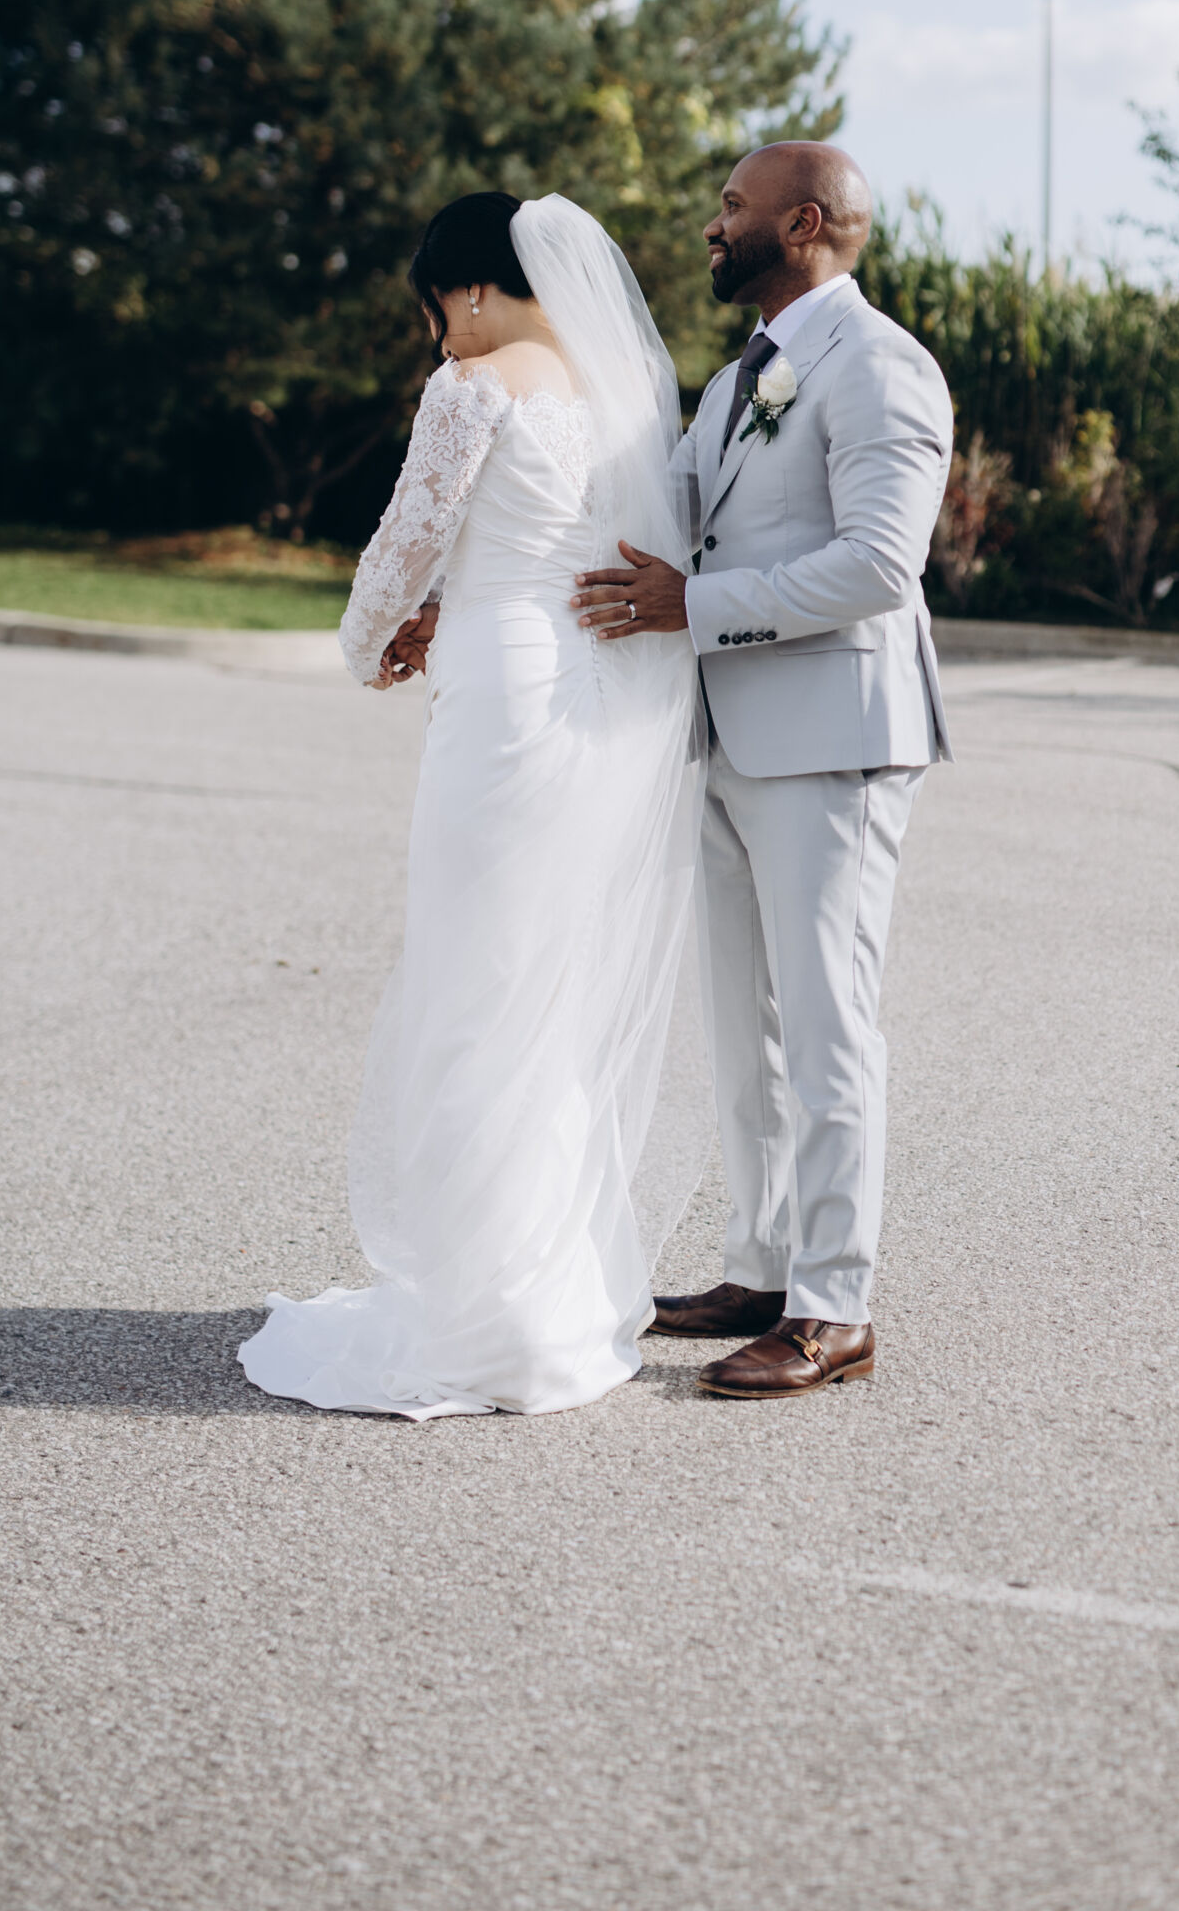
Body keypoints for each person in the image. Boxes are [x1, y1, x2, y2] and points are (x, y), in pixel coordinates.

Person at [238, 191, 707, 1418]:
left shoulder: (475, 385)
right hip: (586, 700)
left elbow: (413, 535)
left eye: (438, 306)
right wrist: (455, 607)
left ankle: (478, 1314)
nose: (439, 332)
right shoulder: (618, 397)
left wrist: (365, 645)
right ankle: (546, 1298)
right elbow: (566, 548)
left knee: (472, 974)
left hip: (499, 696)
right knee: (542, 983)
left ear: (477, 287)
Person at [572, 142, 953, 1398]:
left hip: (833, 742)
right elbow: (672, 518)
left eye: (732, 206)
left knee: (830, 1028)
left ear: (804, 224)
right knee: (744, 1031)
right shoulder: (748, 373)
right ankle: (762, 1265)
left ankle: (836, 1308)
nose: (711, 224)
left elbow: (879, 565)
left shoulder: (881, 365)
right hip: (727, 738)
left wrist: (695, 607)